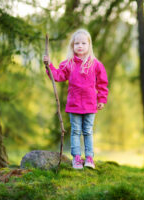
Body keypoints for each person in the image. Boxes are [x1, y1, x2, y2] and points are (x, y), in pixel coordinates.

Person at [43, 29, 108, 169]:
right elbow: (58, 76)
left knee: (88, 131)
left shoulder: (95, 64)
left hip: (90, 104)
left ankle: (89, 158)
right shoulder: (69, 64)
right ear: (72, 46)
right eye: (77, 43)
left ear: (89, 45)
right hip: (74, 104)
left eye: (83, 43)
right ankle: (77, 158)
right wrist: (49, 66)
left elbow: (102, 83)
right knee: (76, 131)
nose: (80, 45)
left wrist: (101, 99)